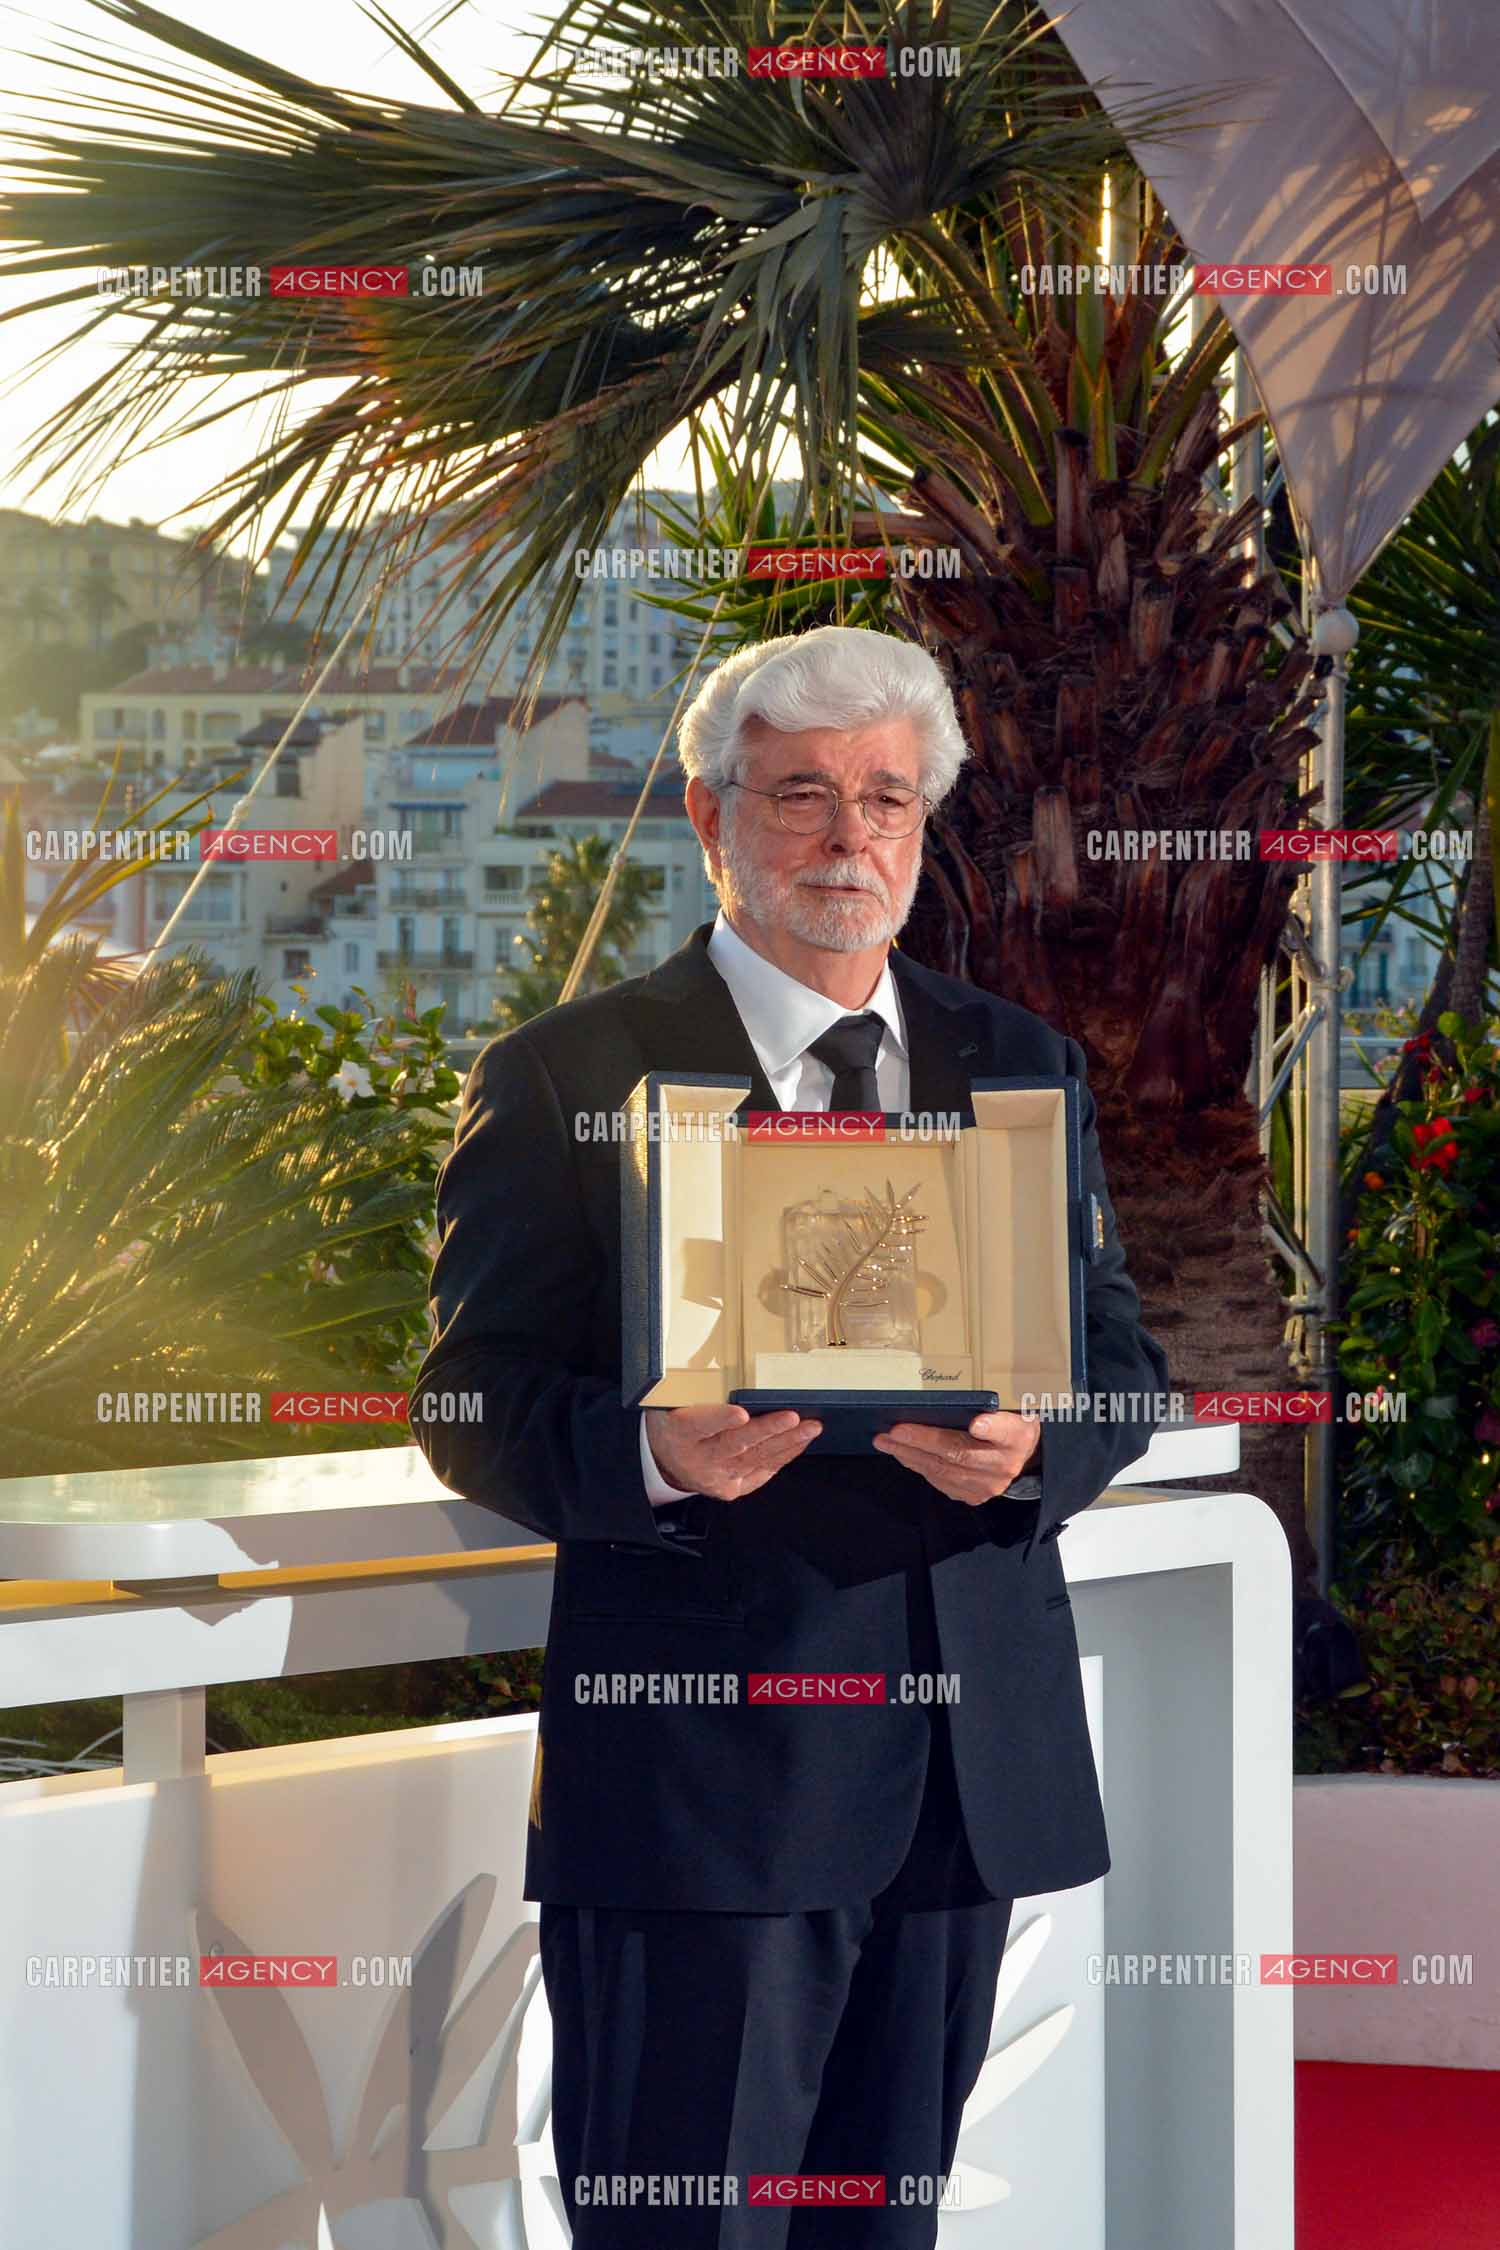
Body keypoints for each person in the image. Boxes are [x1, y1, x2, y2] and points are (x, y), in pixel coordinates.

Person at [412, 624, 1169, 2247]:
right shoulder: (567, 1075)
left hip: (966, 1777)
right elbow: (467, 1397)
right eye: (804, 794)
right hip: (699, 1789)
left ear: (923, 825)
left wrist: (1041, 1447)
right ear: (710, 816)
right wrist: (652, 1455)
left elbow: (1124, 1363)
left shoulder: (1017, 1063)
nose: (849, 839)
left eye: (888, 799)